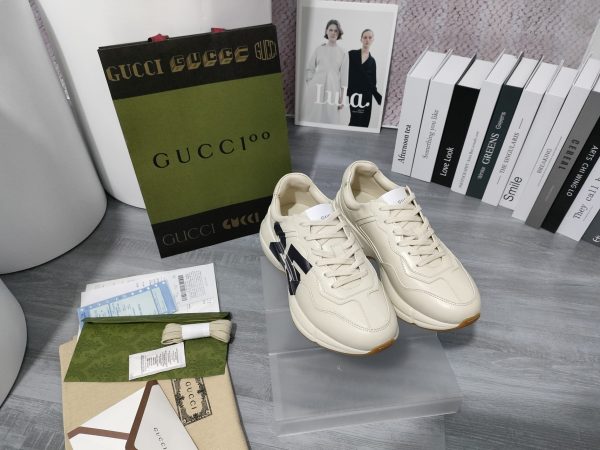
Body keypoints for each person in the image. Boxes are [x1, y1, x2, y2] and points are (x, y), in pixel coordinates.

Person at [303, 19, 347, 124]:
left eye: (336, 31)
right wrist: (311, 84)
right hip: (316, 89)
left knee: (331, 120)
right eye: (330, 30)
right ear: (326, 31)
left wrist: (342, 98)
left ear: (339, 33)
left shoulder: (343, 53)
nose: (333, 33)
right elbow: (309, 69)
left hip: (332, 90)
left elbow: (344, 78)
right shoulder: (319, 49)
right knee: (313, 118)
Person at [347, 29, 382, 128]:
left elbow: (373, 83)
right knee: (354, 120)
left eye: (370, 38)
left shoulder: (372, 61)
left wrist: (377, 96)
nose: (367, 40)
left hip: (367, 95)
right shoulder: (352, 54)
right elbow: (343, 70)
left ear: (373, 40)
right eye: (365, 37)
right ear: (361, 39)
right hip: (354, 93)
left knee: (364, 123)